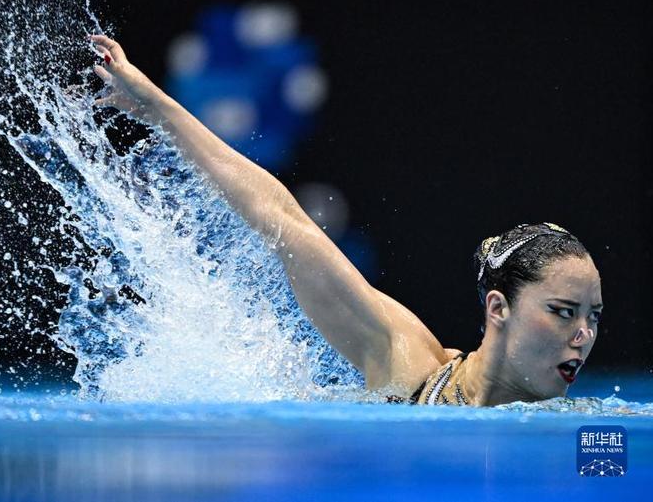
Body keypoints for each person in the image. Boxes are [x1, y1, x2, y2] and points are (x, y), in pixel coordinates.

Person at [88, 34, 604, 407]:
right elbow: (286, 222)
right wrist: (158, 109)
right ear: (499, 308)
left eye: (594, 316)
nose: (582, 336)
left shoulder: (588, 432)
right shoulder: (408, 365)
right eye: (564, 312)